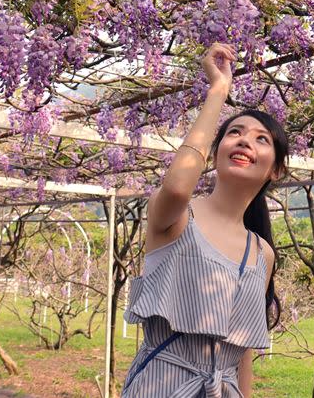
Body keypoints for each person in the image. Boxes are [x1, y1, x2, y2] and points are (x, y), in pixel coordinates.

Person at [121, 42, 288, 398]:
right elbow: (179, 187)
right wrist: (218, 92)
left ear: (275, 170)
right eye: (235, 133)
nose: (245, 142)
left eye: (262, 139)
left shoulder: (262, 253)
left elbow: (241, 352)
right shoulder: (178, 217)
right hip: (161, 387)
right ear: (214, 153)